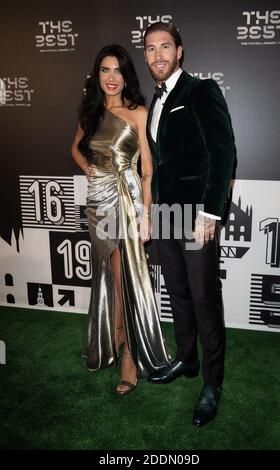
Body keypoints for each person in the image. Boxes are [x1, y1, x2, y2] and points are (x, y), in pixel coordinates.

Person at [144, 22, 236, 426]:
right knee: (178, 293)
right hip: (166, 216)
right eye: (150, 49)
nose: (157, 55)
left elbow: (222, 153)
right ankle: (187, 359)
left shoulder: (201, 91)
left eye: (165, 47)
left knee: (203, 299)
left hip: (195, 217)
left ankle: (212, 384)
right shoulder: (156, 98)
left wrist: (210, 213)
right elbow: (161, 163)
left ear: (180, 52)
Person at [71, 44, 170, 395]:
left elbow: (147, 170)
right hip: (97, 204)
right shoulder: (91, 112)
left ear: (126, 75)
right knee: (110, 277)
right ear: (97, 75)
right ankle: (112, 337)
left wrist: (147, 214)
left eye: (117, 71)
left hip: (126, 204)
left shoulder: (138, 113)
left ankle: (128, 352)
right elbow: (75, 147)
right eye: (104, 70)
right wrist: (89, 170)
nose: (111, 78)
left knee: (122, 275)